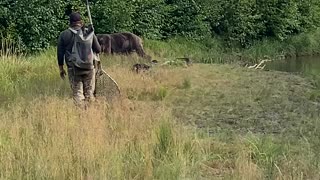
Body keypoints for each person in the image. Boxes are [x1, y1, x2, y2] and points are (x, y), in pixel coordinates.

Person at [57, 12, 101, 105]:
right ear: (81, 22)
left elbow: (60, 53)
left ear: (70, 22)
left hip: (73, 68)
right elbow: (98, 49)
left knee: (78, 93)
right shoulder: (89, 33)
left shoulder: (64, 35)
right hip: (89, 67)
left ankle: (81, 114)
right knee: (89, 93)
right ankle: (91, 114)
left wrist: (61, 69)